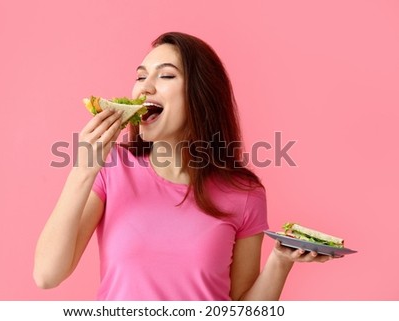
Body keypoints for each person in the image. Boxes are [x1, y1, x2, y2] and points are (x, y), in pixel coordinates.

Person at [33, 31, 332, 300]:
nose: (145, 88)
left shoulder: (245, 193)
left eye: (165, 76)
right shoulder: (112, 168)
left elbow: (244, 309)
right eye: (140, 76)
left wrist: (280, 261)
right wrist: (84, 169)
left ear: (200, 94)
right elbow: (47, 275)